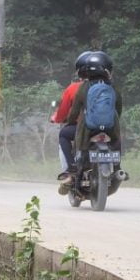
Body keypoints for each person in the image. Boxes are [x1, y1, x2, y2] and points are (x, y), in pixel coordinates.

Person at [65, 51, 123, 185]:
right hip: (110, 127)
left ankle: (76, 173)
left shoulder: (84, 87)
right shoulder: (113, 87)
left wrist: (69, 122)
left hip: (88, 128)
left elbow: (74, 111)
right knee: (116, 142)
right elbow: (118, 107)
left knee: (80, 147)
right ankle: (118, 167)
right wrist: (114, 120)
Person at [52, 51, 90, 184]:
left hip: (82, 128)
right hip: (107, 128)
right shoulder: (108, 87)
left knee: (63, 134)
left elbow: (63, 111)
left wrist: (58, 119)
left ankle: (70, 169)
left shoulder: (74, 88)